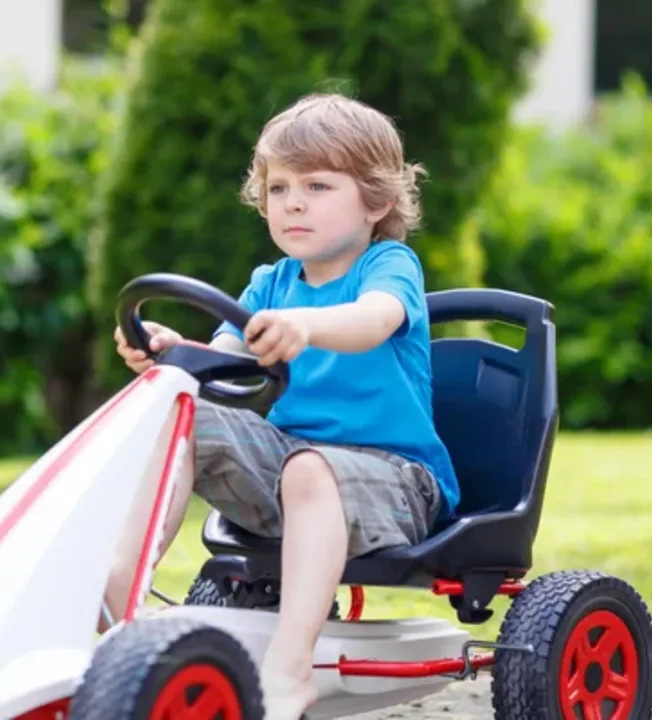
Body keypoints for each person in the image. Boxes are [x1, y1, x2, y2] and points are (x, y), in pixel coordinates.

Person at [107, 92, 460, 720]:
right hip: (289, 468)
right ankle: (117, 598)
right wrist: (172, 352)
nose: (293, 202)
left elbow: (374, 320)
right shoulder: (270, 283)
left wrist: (307, 326)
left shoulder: (387, 265)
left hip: (397, 482)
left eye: (318, 185)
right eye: (279, 187)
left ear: (377, 201)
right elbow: (224, 362)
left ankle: (291, 667)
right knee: (183, 411)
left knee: (309, 468)